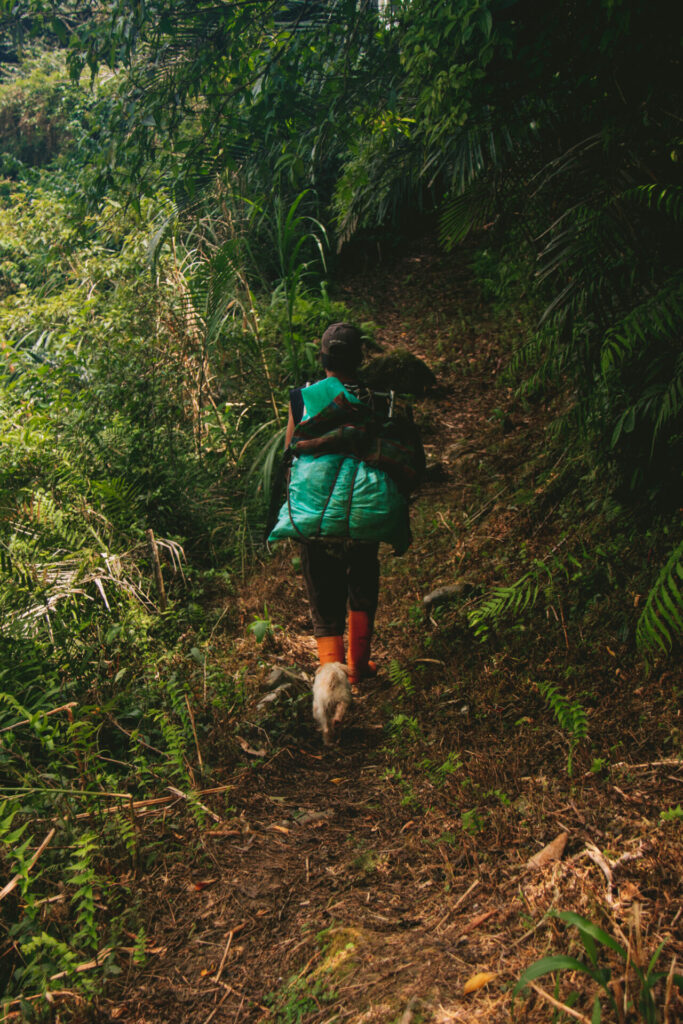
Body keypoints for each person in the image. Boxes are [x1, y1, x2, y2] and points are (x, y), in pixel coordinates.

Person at [269, 322, 424, 690]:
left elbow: (292, 451)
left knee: (323, 589)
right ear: (360, 359)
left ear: (322, 358)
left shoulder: (301, 398)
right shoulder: (379, 399)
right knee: (363, 577)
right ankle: (359, 665)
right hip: (362, 510)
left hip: (315, 515)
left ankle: (333, 675)